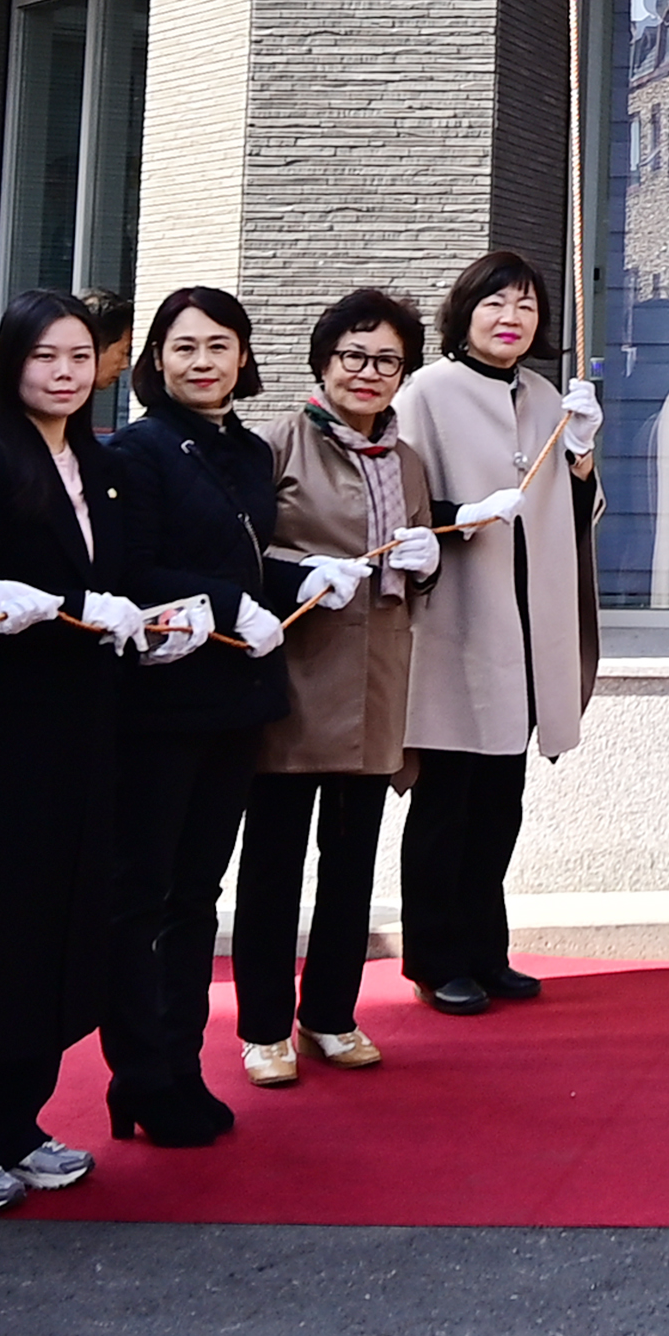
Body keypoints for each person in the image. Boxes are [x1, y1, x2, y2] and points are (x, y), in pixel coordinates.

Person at [0, 293, 191, 1213]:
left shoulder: (100, 468)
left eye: (79, 357)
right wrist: (33, 602)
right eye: (44, 357)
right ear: (11, 364)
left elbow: (126, 575)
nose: (64, 374)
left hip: (86, 723)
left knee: (60, 926)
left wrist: (171, 613)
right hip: (0, 734)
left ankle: (16, 1121)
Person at [96, 288, 302, 1146]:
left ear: (245, 358)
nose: (203, 362)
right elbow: (130, 569)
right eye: (183, 347)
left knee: (196, 894)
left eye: (220, 346)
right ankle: (140, 1074)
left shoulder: (250, 451)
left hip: (238, 700)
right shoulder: (138, 451)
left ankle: (180, 1063)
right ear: (154, 358)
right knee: (145, 894)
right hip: (163, 706)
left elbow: (250, 562)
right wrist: (225, 602)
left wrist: (308, 578)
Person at [393, 251, 599, 1015]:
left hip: (524, 624)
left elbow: (569, 520)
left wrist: (578, 460)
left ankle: (487, 947)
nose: (512, 319)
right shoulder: (427, 393)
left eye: (526, 307)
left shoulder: (545, 395)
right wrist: (457, 515)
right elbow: (403, 504)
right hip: (458, 618)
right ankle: (435, 955)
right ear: (465, 312)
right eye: (496, 304)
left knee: (500, 802)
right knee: (447, 800)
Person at [238, 289, 426, 1085]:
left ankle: (331, 1015)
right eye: (354, 355)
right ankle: (263, 1027)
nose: (369, 373)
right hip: (295, 681)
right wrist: (300, 575)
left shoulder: (408, 460)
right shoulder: (278, 442)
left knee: (351, 867)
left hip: (375, 684)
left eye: (387, 360)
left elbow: (417, 566)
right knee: (274, 866)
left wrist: (427, 561)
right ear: (323, 359)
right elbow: (240, 556)